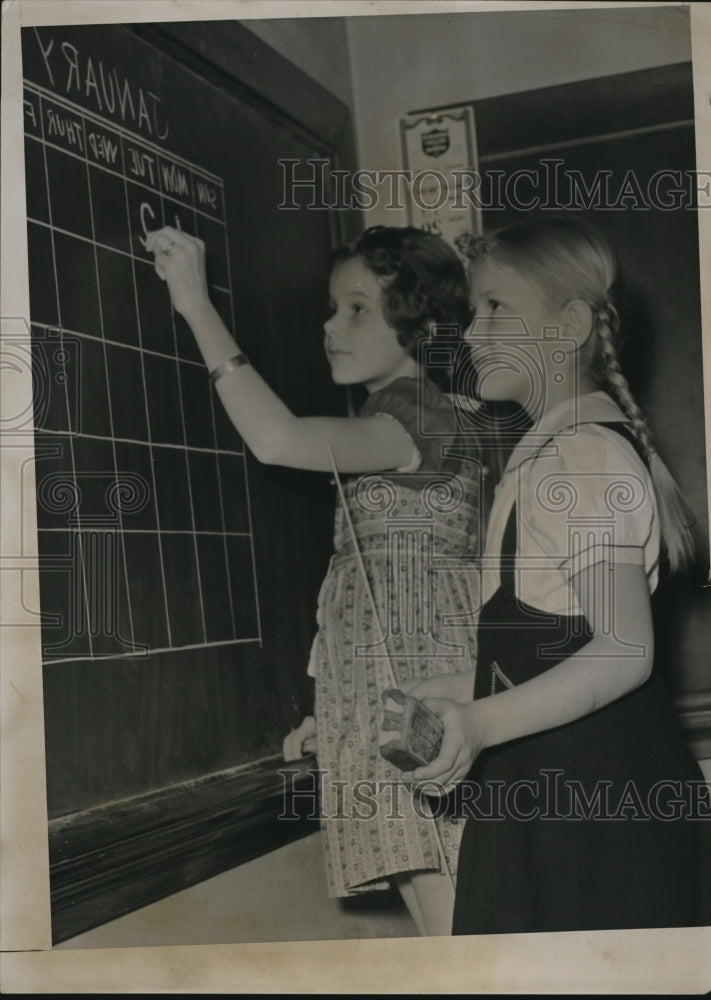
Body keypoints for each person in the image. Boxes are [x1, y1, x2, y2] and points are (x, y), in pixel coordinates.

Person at [146, 223, 484, 936]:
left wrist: (195, 305)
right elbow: (384, 589)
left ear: (418, 321)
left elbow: (277, 440)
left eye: (357, 308)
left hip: (424, 698)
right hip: (400, 697)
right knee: (444, 927)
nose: (331, 326)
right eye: (333, 308)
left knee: (458, 934)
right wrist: (340, 714)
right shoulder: (408, 415)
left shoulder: (415, 414)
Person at [403, 216, 711, 935]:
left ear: (568, 325)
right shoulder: (554, 451)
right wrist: (467, 687)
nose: (473, 333)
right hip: (561, 802)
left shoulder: (579, 457)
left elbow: (625, 649)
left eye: (495, 308)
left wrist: (481, 721)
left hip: (592, 814)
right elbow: (560, 643)